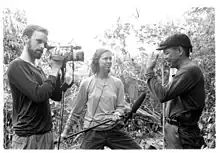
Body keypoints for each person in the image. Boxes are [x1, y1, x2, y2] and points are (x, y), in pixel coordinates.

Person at [7, 25, 72, 149]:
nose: (42, 47)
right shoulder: (16, 66)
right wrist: (54, 69)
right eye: (39, 41)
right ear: (26, 38)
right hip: (28, 138)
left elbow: (55, 96)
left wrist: (65, 83)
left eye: (45, 43)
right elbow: (38, 95)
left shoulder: (38, 68)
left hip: (46, 134)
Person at [61, 48, 141, 149]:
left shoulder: (117, 83)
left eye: (110, 59)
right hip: (93, 131)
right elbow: (76, 110)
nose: (109, 61)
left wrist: (117, 113)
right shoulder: (86, 83)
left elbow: (120, 106)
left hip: (113, 129)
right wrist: (65, 131)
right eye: (105, 59)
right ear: (97, 61)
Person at [145, 33, 205, 149]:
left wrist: (149, 71)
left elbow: (163, 95)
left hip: (182, 132)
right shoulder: (183, 70)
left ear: (179, 50)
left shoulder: (189, 70)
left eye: (167, 53)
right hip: (177, 130)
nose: (165, 57)